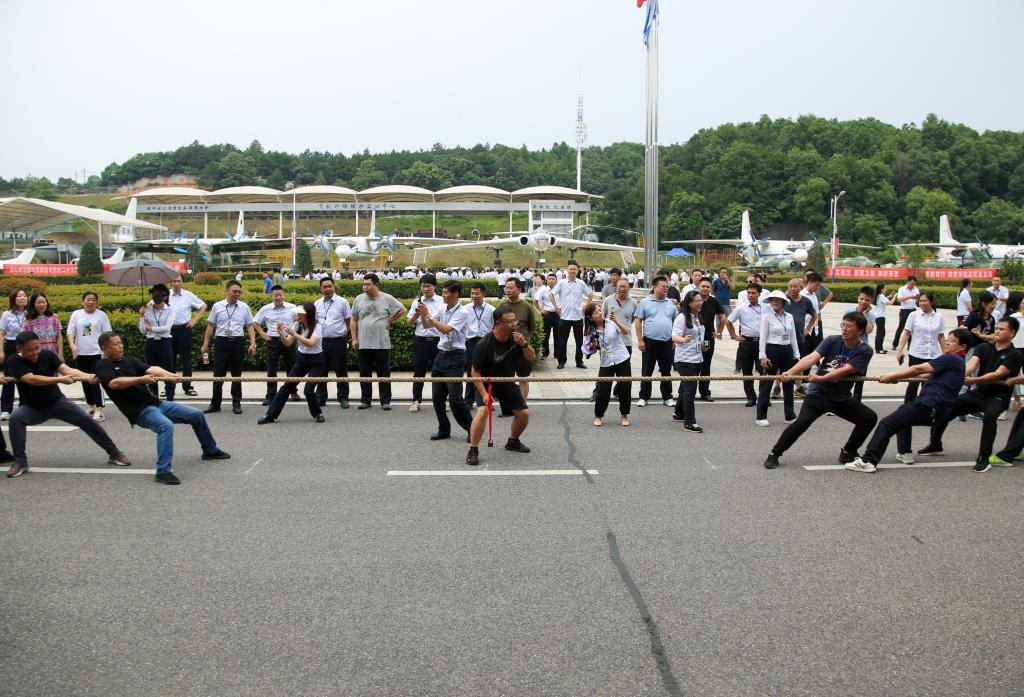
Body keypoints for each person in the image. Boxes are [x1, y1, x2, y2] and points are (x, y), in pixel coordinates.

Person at [95, 331, 229, 485]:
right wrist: (140, 379)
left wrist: (169, 375)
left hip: (157, 404)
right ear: (104, 349)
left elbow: (152, 369)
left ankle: (210, 451)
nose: (120, 347)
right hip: (140, 411)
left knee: (197, 414)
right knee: (166, 426)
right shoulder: (102, 366)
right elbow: (114, 383)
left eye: (120, 343)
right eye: (115, 344)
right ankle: (163, 472)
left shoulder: (130, 360)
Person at [5, 331, 131, 478]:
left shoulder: (47, 355)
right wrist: (59, 380)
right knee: (16, 418)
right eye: (29, 350)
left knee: (87, 420)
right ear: (19, 349)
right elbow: (31, 379)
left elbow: (68, 370)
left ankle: (114, 453)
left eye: (37, 348)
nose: (35, 352)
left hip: (57, 403)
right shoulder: (14, 360)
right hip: (32, 408)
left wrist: (87, 376)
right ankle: (20, 462)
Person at [762, 313, 878, 470]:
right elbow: (811, 358)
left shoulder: (865, 350)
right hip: (818, 395)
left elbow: (846, 370)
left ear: (861, 331)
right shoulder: (832, 340)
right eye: (843, 325)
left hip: (840, 397)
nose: (844, 329)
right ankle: (774, 454)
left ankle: (848, 452)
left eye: (849, 326)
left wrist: (820, 378)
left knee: (869, 418)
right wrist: (790, 372)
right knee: (801, 423)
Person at [845, 329, 971, 473]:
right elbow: (927, 375)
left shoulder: (951, 359)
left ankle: (868, 461)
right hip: (938, 413)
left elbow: (918, 368)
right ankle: (905, 452)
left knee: (887, 424)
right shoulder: (959, 363)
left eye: (952, 340)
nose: (947, 342)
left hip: (928, 406)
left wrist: (893, 375)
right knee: (903, 418)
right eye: (948, 339)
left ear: (962, 347)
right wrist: (896, 379)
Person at [918, 318, 1023, 472]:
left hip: (998, 396)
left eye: (1002, 329)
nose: (997, 331)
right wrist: (960, 375)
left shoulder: (1016, 354)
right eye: (997, 328)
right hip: (978, 393)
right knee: (947, 407)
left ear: (1012, 333)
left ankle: (983, 458)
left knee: (990, 416)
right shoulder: (983, 347)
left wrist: (975, 379)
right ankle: (935, 443)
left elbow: (998, 374)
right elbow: (971, 365)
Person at [466, 306, 534, 467]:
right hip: (487, 383)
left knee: (524, 413)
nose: (514, 324)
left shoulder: (517, 338)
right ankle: (473, 449)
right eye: (509, 322)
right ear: (498, 323)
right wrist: (483, 394)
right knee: (482, 411)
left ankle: (513, 441)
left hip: (507, 382)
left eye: (514, 321)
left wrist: (524, 344)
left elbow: (531, 357)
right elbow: (475, 372)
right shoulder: (484, 344)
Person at [418, 280, 474, 441]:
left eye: (446, 292)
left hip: (456, 356)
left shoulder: (462, 312)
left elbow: (446, 329)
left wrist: (429, 316)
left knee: (455, 399)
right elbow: (427, 325)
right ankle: (444, 429)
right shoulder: (443, 308)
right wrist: (423, 314)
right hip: (441, 354)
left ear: (456, 294)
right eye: (442, 292)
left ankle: (471, 428)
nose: (443, 295)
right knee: (437, 397)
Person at [258, 302, 326, 424]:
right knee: (286, 387)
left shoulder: (318, 326)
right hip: (301, 360)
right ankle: (270, 415)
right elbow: (288, 343)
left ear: (309, 314)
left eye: (302, 313)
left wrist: (295, 334)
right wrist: (281, 334)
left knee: (308, 391)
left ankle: (317, 413)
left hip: (316, 361)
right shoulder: (296, 325)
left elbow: (311, 343)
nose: (299, 315)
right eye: (298, 312)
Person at [351, 273, 406, 410]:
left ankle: (385, 401)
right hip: (363, 343)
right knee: (364, 373)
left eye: (368, 284)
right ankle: (365, 400)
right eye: (364, 284)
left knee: (383, 373)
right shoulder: (359, 299)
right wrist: (354, 338)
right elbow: (353, 319)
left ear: (376, 285)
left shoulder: (387, 298)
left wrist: (390, 320)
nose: (365, 287)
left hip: (381, 343)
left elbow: (402, 310)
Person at [202, 280, 256, 415]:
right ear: (226, 291)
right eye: (234, 291)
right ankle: (215, 403)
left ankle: (236, 403)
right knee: (218, 374)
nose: (237, 294)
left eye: (239, 292)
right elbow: (210, 326)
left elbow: (250, 325)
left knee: (236, 374)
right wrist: (205, 344)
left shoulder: (244, 307)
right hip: (222, 342)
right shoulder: (217, 306)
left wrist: (252, 343)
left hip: (238, 342)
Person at [755, 290, 800, 427]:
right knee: (767, 383)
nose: (775, 302)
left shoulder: (789, 316)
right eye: (773, 300)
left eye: (778, 300)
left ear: (783, 302)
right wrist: (762, 356)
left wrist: (796, 354)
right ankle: (761, 416)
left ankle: (790, 414)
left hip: (787, 350)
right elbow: (763, 337)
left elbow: (793, 337)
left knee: (788, 382)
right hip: (772, 349)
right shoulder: (767, 317)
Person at [67, 291, 112, 422]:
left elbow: (108, 333)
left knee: (96, 381)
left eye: (93, 300)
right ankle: (92, 406)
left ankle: (99, 408)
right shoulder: (76, 314)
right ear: (83, 301)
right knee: (85, 380)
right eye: (88, 299)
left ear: (97, 302)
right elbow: (70, 331)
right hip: (81, 353)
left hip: (97, 353)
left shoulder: (102, 315)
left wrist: (107, 352)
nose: (90, 302)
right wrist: (72, 345)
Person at [634, 276, 678, 408]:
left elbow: (676, 322)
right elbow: (638, 321)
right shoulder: (645, 302)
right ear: (655, 287)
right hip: (649, 342)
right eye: (663, 286)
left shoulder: (671, 303)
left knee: (666, 371)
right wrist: (640, 339)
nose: (666, 288)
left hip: (666, 342)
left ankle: (667, 397)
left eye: (667, 286)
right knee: (647, 370)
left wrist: (675, 338)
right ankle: (644, 396)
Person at [585, 302, 631, 427]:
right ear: (590, 318)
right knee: (603, 389)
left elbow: (626, 331)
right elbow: (588, 350)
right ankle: (598, 415)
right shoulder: (591, 331)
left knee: (624, 388)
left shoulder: (611, 323)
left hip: (622, 358)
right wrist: (593, 346)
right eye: (596, 312)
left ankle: (624, 415)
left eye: (600, 310)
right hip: (606, 361)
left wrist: (616, 320)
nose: (600, 313)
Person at [895, 292, 946, 402]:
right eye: (920, 301)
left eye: (925, 301)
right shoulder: (913, 315)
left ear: (931, 302)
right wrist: (900, 351)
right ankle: (907, 408)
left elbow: (941, 337)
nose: (922, 303)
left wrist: (946, 354)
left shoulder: (939, 317)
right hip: (916, 355)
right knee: (913, 384)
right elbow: (906, 333)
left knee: (928, 384)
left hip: (932, 356)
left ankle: (925, 408)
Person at [406, 274, 445, 412]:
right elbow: (409, 323)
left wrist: (427, 315)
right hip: (421, 340)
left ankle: (441, 401)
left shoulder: (442, 301)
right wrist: (417, 314)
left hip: (438, 340)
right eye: (423, 286)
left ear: (434, 286)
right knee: (418, 371)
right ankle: (416, 400)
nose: (426, 289)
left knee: (439, 372)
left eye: (428, 286)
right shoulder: (417, 302)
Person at [253, 285, 297, 406]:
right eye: (275, 295)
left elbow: (299, 321)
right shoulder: (265, 309)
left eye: (280, 295)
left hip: (289, 340)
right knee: (272, 368)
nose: (278, 297)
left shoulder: (293, 308)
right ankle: (270, 395)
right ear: (271, 296)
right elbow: (255, 323)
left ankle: (293, 391)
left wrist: (293, 334)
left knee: (291, 367)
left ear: (284, 295)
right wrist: (263, 334)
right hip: (273, 341)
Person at [497, 277, 537, 410]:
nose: (507, 290)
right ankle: (507, 406)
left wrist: (524, 340)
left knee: (523, 377)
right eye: (506, 287)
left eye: (510, 287)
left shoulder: (527, 307)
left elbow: (532, 328)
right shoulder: (502, 306)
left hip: (522, 348)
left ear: (519, 289)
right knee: (506, 379)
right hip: (505, 348)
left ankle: (521, 406)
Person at [314, 278, 353, 409]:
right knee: (321, 370)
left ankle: (343, 398)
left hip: (338, 341)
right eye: (325, 287)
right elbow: (314, 323)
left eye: (330, 286)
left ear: (334, 287)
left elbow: (349, 321)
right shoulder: (317, 304)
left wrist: (343, 334)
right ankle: (321, 397)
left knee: (341, 370)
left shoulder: (342, 302)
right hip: (321, 341)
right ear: (321, 289)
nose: (328, 289)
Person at [725, 284, 766, 408]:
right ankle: (751, 397)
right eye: (749, 293)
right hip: (746, 342)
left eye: (753, 293)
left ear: (759, 294)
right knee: (747, 371)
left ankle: (764, 397)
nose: (751, 295)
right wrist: (734, 336)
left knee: (763, 371)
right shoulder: (741, 308)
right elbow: (728, 321)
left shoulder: (766, 307)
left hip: (762, 342)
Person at [670, 290, 706, 433]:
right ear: (690, 303)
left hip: (697, 358)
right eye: (698, 301)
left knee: (685, 387)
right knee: (691, 389)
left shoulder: (697, 317)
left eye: (701, 300)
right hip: (685, 359)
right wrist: (683, 340)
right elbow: (674, 336)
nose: (700, 303)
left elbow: (699, 336)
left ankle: (678, 413)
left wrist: (703, 345)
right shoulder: (682, 318)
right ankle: (689, 422)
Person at [167, 275, 206, 397]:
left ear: (182, 282)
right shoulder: (165, 295)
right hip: (169, 330)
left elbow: (203, 306)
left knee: (186, 360)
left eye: (179, 281)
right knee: (169, 359)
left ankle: (187, 386)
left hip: (185, 329)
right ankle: (169, 386)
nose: (177, 283)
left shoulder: (188, 295)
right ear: (170, 283)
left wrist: (194, 320)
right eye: (174, 281)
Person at [551, 260, 592, 369]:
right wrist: (556, 307)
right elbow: (551, 295)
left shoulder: (581, 283)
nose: (572, 271)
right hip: (564, 317)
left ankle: (579, 361)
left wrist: (586, 307)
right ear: (567, 270)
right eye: (570, 269)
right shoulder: (561, 283)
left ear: (577, 271)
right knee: (562, 341)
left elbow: (590, 294)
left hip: (578, 317)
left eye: (574, 269)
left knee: (579, 341)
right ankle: (561, 361)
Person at [139, 284, 176, 402]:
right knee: (151, 372)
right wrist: (141, 316)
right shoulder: (148, 310)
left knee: (168, 372)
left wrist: (152, 329)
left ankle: (170, 400)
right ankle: (154, 400)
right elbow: (143, 330)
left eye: (159, 294)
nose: (155, 296)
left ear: (165, 296)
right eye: (153, 293)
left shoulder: (170, 309)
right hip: (150, 343)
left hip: (164, 343)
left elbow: (167, 328)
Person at [0, 289, 29, 420]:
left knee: (26, 377)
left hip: (27, 346)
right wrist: (1, 351)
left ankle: (25, 406)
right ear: (14, 299)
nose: (23, 298)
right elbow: (2, 333)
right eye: (19, 296)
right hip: (11, 346)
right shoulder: (7, 314)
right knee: (9, 377)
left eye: (24, 295)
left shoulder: (30, 313)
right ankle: (6, 409)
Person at [463, 282, 494, 403]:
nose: (474, 295)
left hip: (486, 343)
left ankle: (485, 398)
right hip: (470, 342)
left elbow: (494, 328)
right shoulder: (465, 309)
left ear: (483, 294)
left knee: (486, 371)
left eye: (477, 293)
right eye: (472, 293)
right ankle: (469, 400)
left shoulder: (491, 310)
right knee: (471, 371)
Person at [23, 292, 62, 357]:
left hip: (53, 354)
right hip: (36, 355)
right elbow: (26, 340)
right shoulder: (28, 321)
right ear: (33, 304)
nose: (42, 305)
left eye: (44, 302)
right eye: (38, 303)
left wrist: (60, 354)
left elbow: (59, 337)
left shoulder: (53, 318)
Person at [891, 276, 921, 350]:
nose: (913, 285)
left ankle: (910, 346)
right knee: (901, 328)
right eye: (912, 283)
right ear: (908, 282)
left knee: (912, 328)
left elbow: (918, 298)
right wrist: (910, 297)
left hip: (913, 310)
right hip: (904, 310)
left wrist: (917, 299)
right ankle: (895, 344)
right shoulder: (902, 289)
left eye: (914, 284)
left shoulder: (916, 289)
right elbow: (899, 299)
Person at [533, 273, 558, 359]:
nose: (551, 280)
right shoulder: (543, 290)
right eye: (549, 279)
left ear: (556, 280)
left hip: (558, 314)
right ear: (547, 281)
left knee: (558, 335)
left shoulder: (560, 290)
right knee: (545, 334)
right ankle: (545, 353)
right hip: (547, 314)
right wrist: (540, 310)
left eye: (553, 279)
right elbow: (535, 300)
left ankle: (557, 354)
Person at [873, 282, 892, 354]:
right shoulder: (881, 296)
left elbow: (884, 300)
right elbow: (890, 303)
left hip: (879, 317)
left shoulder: (879, 296)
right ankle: (878, 349)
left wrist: (889, 296)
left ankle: (880, 348)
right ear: (881, 289)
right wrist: (895, 296)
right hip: (880, 317)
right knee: (881, 333)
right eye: (885, 288)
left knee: (881, 333)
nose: (886, 289)